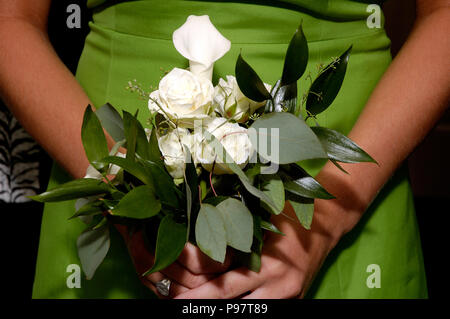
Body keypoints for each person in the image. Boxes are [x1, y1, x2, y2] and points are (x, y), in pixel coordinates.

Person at [0, 0, 448, 299]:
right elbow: (11, 19)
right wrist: (126, 192)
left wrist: (327, 219)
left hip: (347, 178)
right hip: (108, 159)